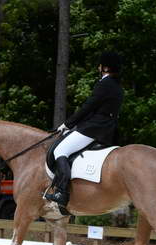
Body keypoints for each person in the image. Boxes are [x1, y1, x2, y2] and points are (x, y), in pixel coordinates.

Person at [45, 51, 124, 212]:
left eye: (100, 65)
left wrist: (67, 124)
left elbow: (88, 108)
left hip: (94, 128)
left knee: (60, 150)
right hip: (108, 130)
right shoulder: (118, 87)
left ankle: (62, 193)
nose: (98, 67)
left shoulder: (105, 84)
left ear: (105, 67)